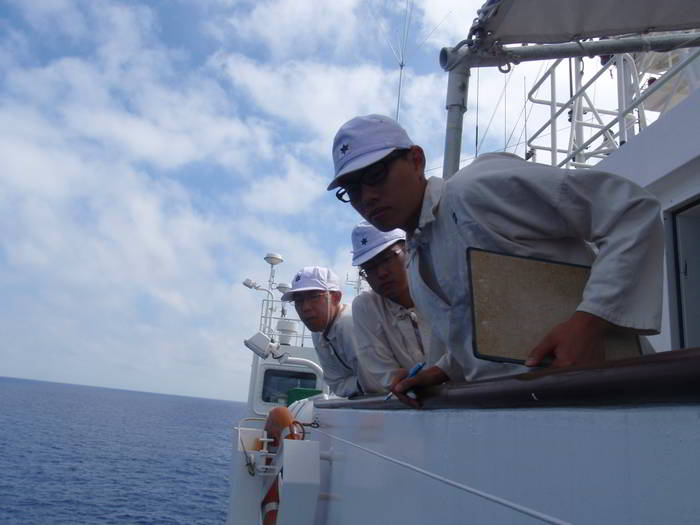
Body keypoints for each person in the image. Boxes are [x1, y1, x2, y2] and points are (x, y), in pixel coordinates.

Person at [328, 114, 664, 406]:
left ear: (416, 160)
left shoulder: (475, 189)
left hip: (617, 397)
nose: (367, 197)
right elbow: (486, 330)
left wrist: (589, 322)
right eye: (352, 189)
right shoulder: (415, 260)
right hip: (537, 412)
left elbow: (630, 210)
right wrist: (442, 370)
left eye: (376, 175)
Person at [350, 222, 461, 394]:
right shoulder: (366, 306)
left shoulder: (444, 283)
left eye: (387, 258)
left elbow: (473, 344)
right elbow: (382, 368)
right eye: (369, 267)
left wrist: (441, 372)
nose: (381, 273)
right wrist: (398, 381)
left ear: (409, 249)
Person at [281, 266, 367, 398]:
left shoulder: (351, 324)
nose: (305, 307)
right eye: (299, 300)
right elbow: (336, 383)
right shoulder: (318, 332)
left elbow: (377, 379)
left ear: (336, 298)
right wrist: (361, 385)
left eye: (314, 297)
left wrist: (356, 385)